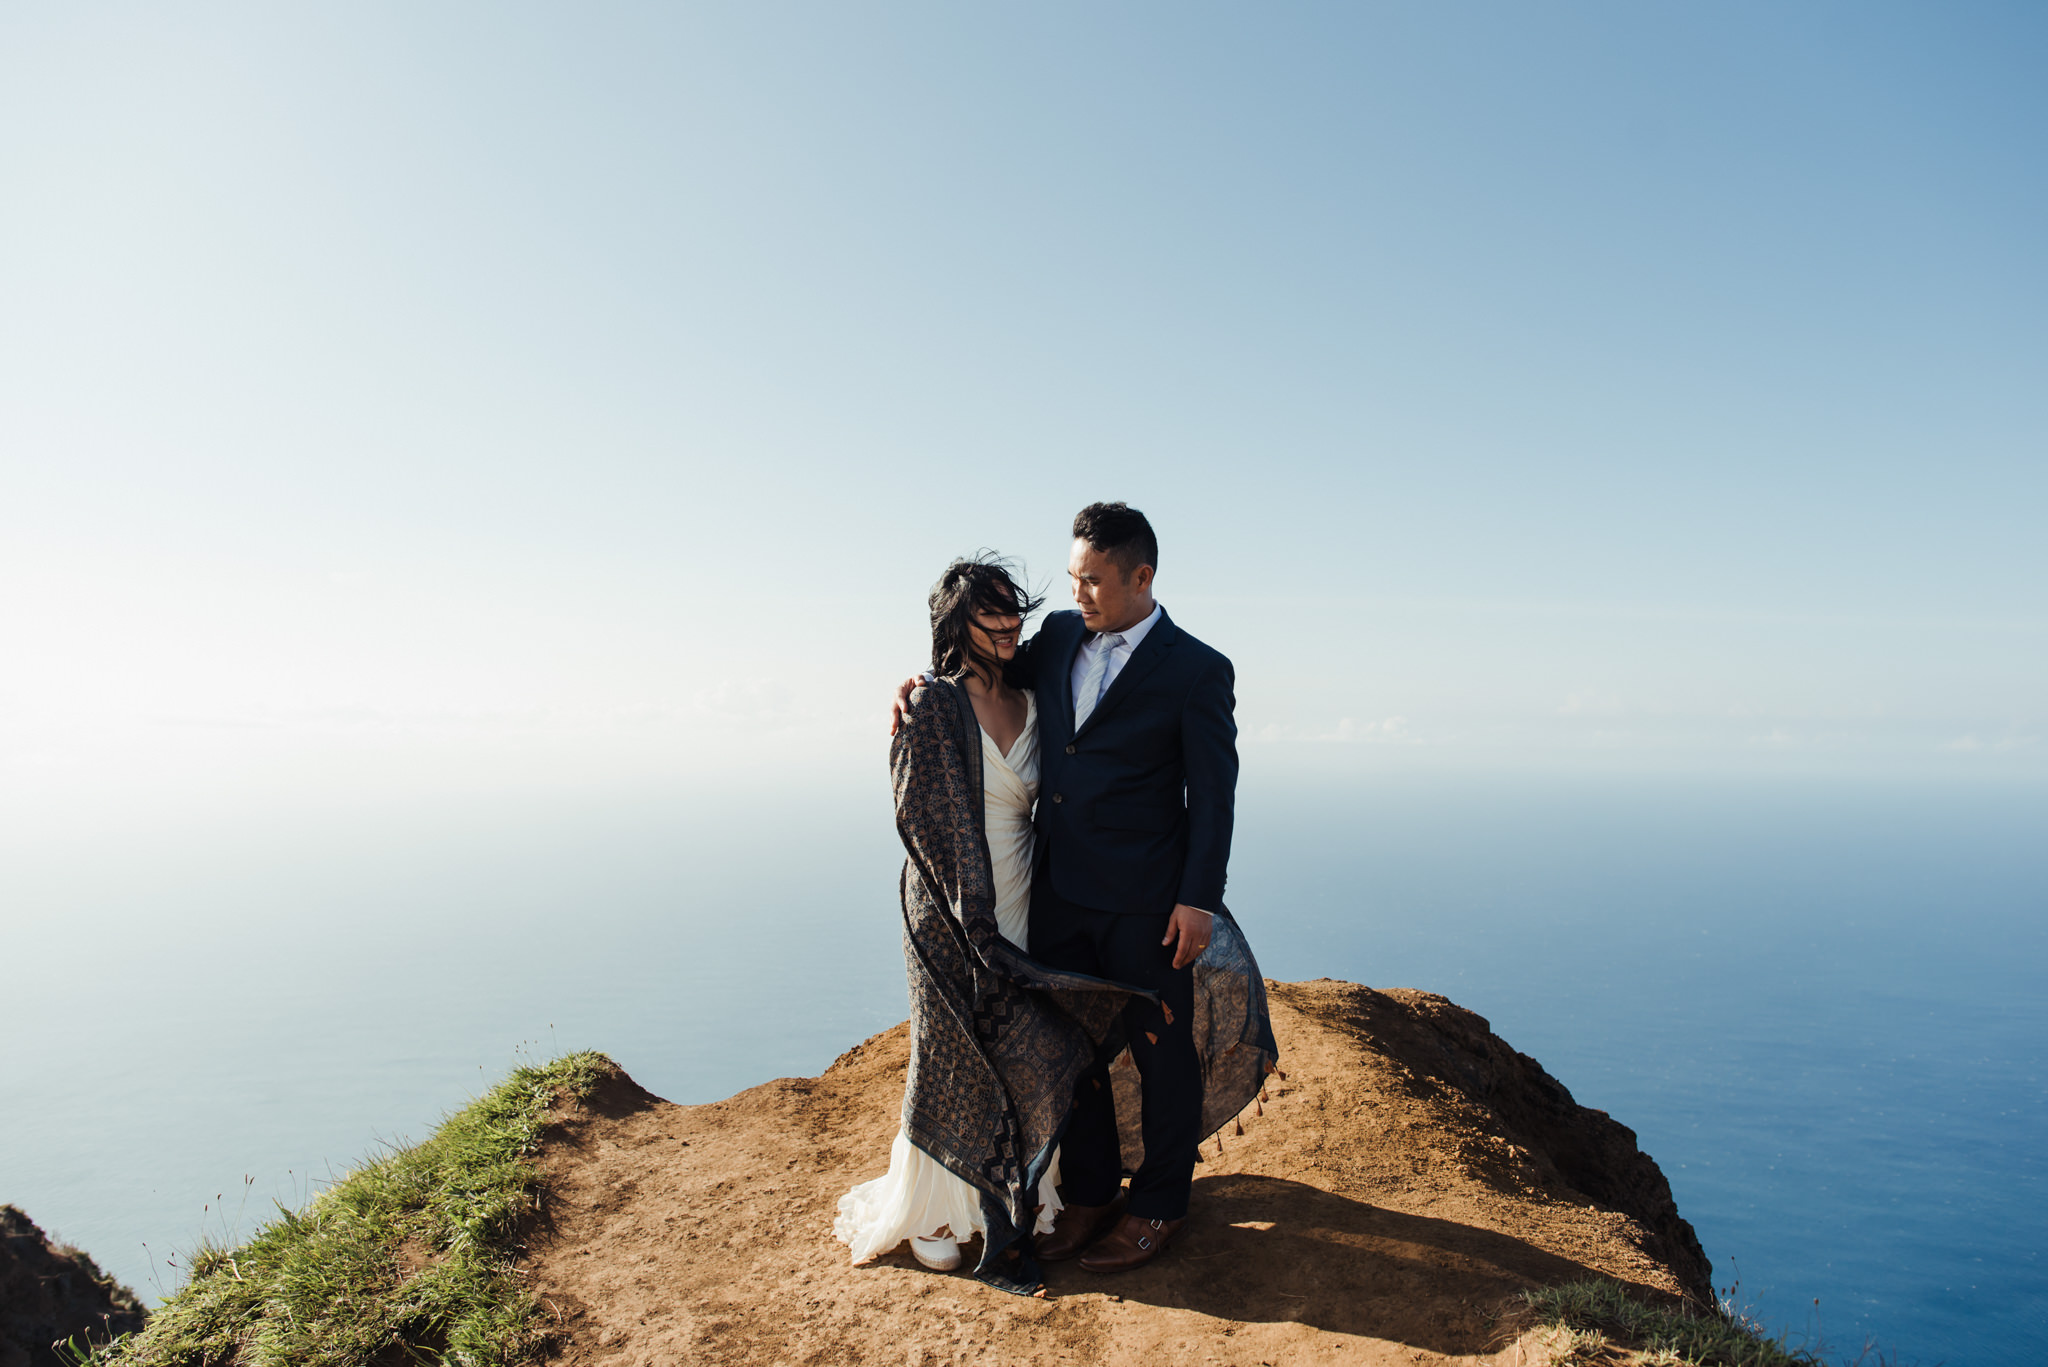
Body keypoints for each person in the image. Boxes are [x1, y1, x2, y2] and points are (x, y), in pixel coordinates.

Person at [887, 503, 1277, 1276]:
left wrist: (1198, 899)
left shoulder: (1199, 668)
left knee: (1163, 1056)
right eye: (1072, 579)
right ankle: (1093, 1193)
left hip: (1148, 904)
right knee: (1079, 1053)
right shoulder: (1061, 637)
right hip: (1056, 893)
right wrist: (916, 681)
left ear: (1142, 576)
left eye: (1093, 580)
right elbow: (982, 674)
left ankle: (1159, 1204)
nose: (1079, 595)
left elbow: (1215, 795)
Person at [836, 555, 1137, 1296]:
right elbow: (914, 811)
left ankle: (1024, 1187)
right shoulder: (932, 703)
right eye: (990, 613)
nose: (1007, 625)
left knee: (1024, 1045)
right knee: (951, 1045)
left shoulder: (1035, 687)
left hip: (1027, 896)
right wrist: (963, 915)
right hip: (948, 904)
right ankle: (936, 1209)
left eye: (1014, 611)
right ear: (955, 621)